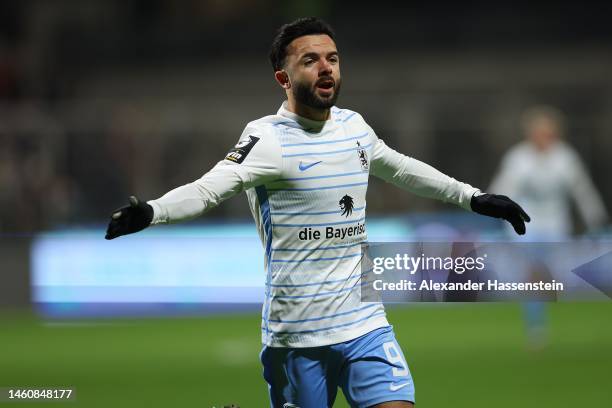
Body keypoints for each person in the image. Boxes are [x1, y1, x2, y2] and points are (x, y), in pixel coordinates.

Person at [105, 17, 530, 408]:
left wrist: (473, 198)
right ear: (283, 78)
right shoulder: (267, 139)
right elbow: (208, 189)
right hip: (297, 335)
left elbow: (401, 168)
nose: (326, 68)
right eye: (310, 60)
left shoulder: (354, 127)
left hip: (365, 323)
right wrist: (152, 212)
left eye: (332, 58)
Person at [489, 106, 608, 350]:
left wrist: (596, 218)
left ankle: (556, 325)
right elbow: (503, 187)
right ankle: (536, 326)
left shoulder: (566, 158)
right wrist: (496, 209)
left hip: (555, 224)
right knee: (533, 275)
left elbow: (582, 191)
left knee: (552, 277)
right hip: (525, 226)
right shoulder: (519, 158)